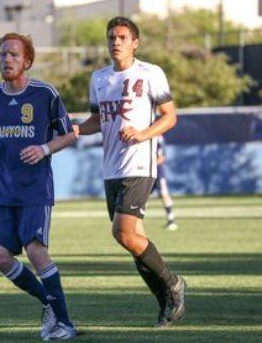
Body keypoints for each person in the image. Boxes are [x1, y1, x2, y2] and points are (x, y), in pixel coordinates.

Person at [76, 16, 186, 327]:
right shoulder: (99, 78)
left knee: (122, 232)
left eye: (122, 37)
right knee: (132, 239)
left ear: (134, 43)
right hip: (110, 169)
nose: (116, 42)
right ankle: (166, 302)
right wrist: (75, 129)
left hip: (139, 165)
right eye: (111, 37)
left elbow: (170, 116)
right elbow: (96, 121)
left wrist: (143, 133)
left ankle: (174, 285)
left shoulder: (151, 73)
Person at [0, 32, 77, 340]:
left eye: (14, 55)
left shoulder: (45, 94)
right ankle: (47, 302)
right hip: (2, 191)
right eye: (3, 54)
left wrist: (44, 149)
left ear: (27, 61)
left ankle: (66, 324)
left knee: (35, 250)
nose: (7, 59)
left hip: (35, 189)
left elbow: (70, 133)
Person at [154, 135, 178, 230]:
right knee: (141, 197)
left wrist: (148, 165)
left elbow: (161, 158)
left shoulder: (157, 138)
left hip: (158, 172)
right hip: (147, 173)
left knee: (164, 194)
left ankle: (171, 220)